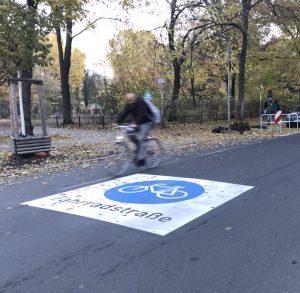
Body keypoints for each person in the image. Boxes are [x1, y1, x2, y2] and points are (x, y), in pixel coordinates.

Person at [115, 92, 154, 167]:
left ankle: (142, 159)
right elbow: (124, 113)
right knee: (128, 133)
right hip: (136, 122)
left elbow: (141, 113)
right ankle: (139, 146)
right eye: (128, 101)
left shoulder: (142, 103)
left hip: (147, 122)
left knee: (142, 138)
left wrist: (137, 123)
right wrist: (117, 122)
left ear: (135, 99)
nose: (129, 102)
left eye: (131, 100)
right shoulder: (129, 104)